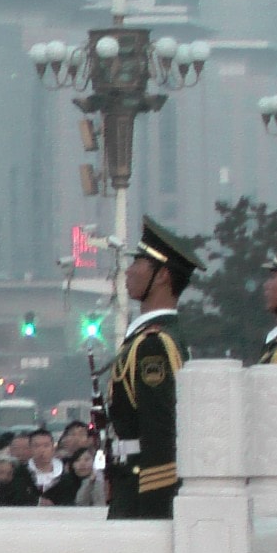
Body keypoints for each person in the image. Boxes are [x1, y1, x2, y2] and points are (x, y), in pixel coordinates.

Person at [106, 217, 201, 520]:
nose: (129, 271)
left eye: (139, 263)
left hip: (142, 493)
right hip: (128, 482)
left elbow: (160, 431)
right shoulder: (151, 338)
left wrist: (154, 511)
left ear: (162, 276)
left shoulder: (154, 344)